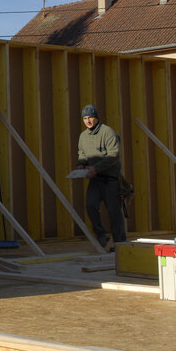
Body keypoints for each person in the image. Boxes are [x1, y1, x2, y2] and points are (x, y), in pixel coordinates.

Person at [75, 104, 126, 249]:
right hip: (95, 180)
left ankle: (120, 243)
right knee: (90, 205)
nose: (88, 121)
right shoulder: (83, 136)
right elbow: (82, 153)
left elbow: (113, 155)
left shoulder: (108, 133)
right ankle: (102, 236)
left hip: (110, 180)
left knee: (114, 211)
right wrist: (81, 164)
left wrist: (96, 168)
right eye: (85, 118)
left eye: (90, 117)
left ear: (96, 117)